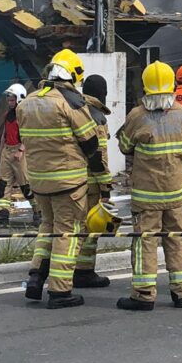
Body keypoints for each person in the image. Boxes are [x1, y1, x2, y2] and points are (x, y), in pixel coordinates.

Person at [18, 49, 102, 309]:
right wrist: (101, 176)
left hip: (39, 181)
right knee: (67, 232)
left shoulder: (28, 102)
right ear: (73, 76)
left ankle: (36, 276)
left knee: (47, 227)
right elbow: (91, 143)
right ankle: (60, 291)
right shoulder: (70, 104)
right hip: (69, 183)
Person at [115, 61, 182, 311]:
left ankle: (144, 294)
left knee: (145, 241)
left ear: (145, 88)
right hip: (176, 193)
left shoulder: (137, 116)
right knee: (176, 240)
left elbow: (124, 146)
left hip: (147, 196)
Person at [74, 74, 113, 289]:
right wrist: (106, 188)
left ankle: (70, 269)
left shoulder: (75, 109)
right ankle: (84, 272)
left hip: (73, 181)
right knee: (90, 229)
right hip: (91, 186)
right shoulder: (97, 117)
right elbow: (100, 157)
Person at [0, 83, 39, 228]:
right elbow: (4, 134)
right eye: (9, 99)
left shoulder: (24, 115)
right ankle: (2, 214)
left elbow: (29, 135)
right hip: (7, 150)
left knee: (26, 184)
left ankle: (39, 212)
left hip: (19, 151)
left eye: (12, 99)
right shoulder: (7, 115)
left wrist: (21, 150)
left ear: (19, 99)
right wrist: (0, 153)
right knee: (3, 184)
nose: (10, 102)